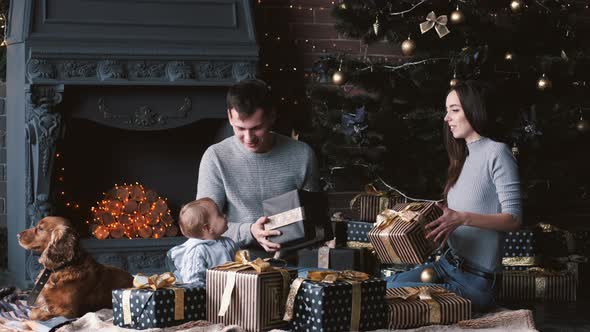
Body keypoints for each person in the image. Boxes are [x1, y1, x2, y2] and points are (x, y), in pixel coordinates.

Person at [384, 80, 522, 312]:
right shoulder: (462, 159)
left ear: (474, 110)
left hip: (476, 282)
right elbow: (455, 219)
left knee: (399, 304)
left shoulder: (498, 153)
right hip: (445, 266)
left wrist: (463, 218)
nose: (446, 118)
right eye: (446, 111)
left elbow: (514, 220)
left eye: (454, 110)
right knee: (385, 287)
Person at [196, 79, 320, 253]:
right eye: (240, 128)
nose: (249, 138)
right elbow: (203, 227)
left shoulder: (302, 154)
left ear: (271, 116)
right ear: (230, 117)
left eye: (257, 128)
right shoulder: (215, 157)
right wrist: (250, 231)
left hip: (293, 255)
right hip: (235, 258)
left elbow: (315, 219)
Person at [167, 198, 239, 286]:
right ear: (208, 228)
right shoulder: (197, 251)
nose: (224, 215)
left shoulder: (229, 242)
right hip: (210, 295)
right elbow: (193, 282)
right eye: (219, 215)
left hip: (233, 291)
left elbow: (241, 264)